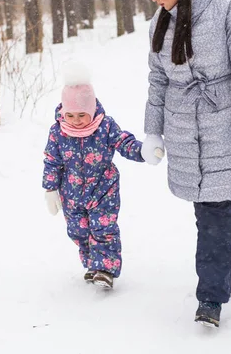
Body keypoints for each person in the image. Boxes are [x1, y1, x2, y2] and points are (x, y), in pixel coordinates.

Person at [140, 0, 231, 327]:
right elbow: (157, 81)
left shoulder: (227, 11)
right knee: (207, 209)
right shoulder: (158, 24)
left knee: (215, 209)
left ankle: (210, 298)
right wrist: (153, 131)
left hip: (222, 127)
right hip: (181, 131)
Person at [42, 62, 163, 289]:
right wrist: (50, 189)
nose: (76, 120)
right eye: (70, 114)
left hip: (103, 189)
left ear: (91, 110)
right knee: (78, 230)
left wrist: (143, 151)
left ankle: (104, 268)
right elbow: (51, 161)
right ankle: (92, 263)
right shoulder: (57, 131)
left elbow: (123, 142)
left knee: (103, 228)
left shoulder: (105, 126)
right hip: (71, 193)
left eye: (81, 114)